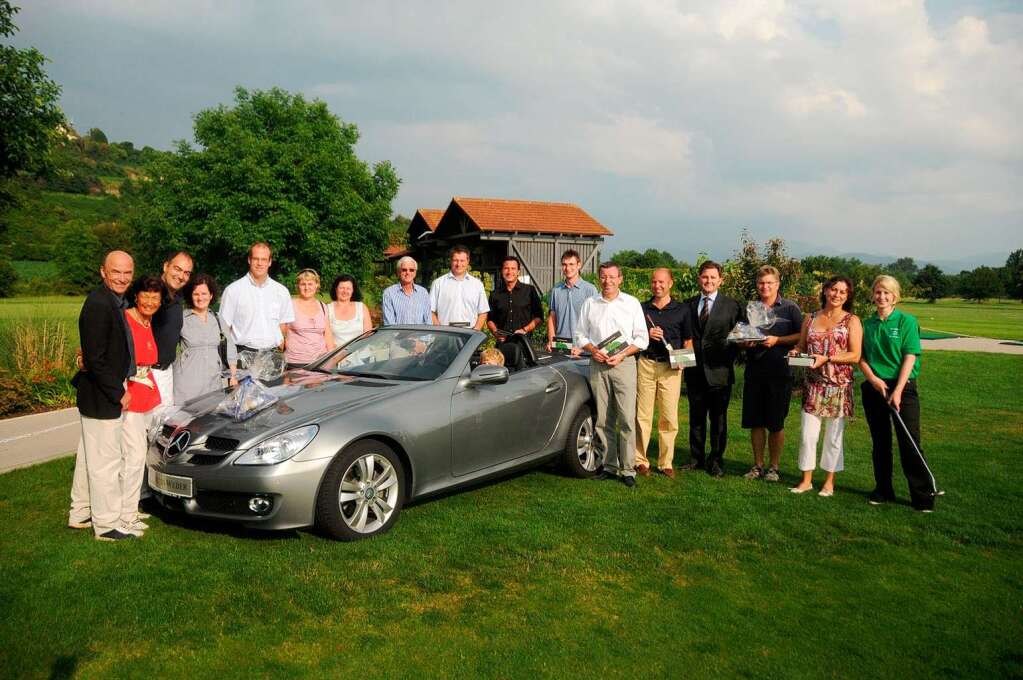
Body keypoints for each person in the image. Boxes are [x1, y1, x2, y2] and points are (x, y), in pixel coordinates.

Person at [68, 250, 137, 541]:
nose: (122, 278)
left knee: (89, 457)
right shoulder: (99, 303)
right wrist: (118, 392)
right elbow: (94, 359)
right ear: (103, 272)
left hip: (98, 392)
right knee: (105, 462)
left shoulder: (113, 300)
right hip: (101, 394)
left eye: (127, 273)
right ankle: (107, 524)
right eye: (116, 272)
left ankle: (80, 512)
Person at [859, 275, 937, 512]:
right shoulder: (867, 324)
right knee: (880, 442)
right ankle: (883, 490)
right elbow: (860, 357)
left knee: (909, 440)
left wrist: (899, 391)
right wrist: (873, 379)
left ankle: (922, 497)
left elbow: (910, 356)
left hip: (903, 386)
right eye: (878, 292)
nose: (882, 297)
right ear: (873, 295)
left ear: (895, 297)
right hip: (875, 387)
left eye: (887, 293)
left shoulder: (906, 321)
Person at [575, 262, 649, 487]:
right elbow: (580, 334)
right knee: (604, 419)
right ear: (599, 278)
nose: (607, 281)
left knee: (626, 418)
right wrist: (592, 351)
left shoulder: (632, 303)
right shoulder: (590, 303)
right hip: (598, 365)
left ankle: (628, 470)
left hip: (623, 364)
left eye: (612, 277)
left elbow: (641, 338)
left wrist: (622, 354)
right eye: (604, 276)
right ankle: (609, 465)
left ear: (620, 279)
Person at [790, 276, 862, 496]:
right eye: (833, 290)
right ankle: (806, 480)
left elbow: (855, 354)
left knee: (833, 437)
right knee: (808, 435)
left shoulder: (851, 320)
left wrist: (827, 358)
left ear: (848, 296)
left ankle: (829, 481)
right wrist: (795, 353)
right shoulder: (810, 318)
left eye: (842, 292)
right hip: (813, 385)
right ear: (825, 291)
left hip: (839, 386)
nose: (837, 295)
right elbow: (802, 346)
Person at [740, 266, 804, 483]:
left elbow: (801, 336)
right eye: (761, 283)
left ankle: (774, 468)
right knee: (755, 421)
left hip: (780, 372)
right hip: (755, 372)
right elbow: (743, 335)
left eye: (769, 283)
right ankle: (757, 465)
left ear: (778, 284)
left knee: (776, 423)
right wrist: (746, 342)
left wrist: (778, 340)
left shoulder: (790, 308)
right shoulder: (752, 308)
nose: (765, 287)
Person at [683, 261, 743, 477]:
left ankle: (716, 459)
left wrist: (728, 357)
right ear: (699, 278)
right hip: (695, 371)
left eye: (712, 277)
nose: (708, 281)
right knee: (696, 417)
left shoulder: (732, 306)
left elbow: (741, 336)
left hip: (720, 372)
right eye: (704, 277)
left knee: (718, 419)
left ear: (721, 280)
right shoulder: (688, 304)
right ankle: (696, 457)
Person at [118, 275, 165, 537]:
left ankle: (131, 507)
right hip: (131, 397)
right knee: (132, 457)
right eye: (145, 296)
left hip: (148, 394)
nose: (150, 302)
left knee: (142, 454)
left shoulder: (147, 321)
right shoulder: (125, 319)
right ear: (136, 296)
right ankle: (123, 514)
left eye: (155, 298)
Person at [634, 268, 691, 479]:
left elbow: (688, 340)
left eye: (662, 282)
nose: (657, 286)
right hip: (647, 364)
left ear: (671, 283)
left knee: (668, 416)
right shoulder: (642, 309)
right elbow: (634, 336)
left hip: (671, 369)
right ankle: (640, 460)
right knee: (643, 416)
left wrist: (683, 361)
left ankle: (665, 462)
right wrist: (647, 333)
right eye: (654, 282)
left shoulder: (682, 310)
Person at [173, 274, 238, 404]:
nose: (200, 298)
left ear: (211, 295)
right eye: (196, 294)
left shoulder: (218, 319)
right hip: (187, 384)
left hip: (213, 383)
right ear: (190, 296)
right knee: (187, 422)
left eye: (204, 293)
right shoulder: (181, 318)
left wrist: (233, 376)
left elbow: (230, 347)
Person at [219, 242, 294, 353]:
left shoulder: (281, 291)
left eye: (264, 259)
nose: (259, 263)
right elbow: (225, 326)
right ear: (249, 260)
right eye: (256, 259)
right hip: (241, 354)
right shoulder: (233, 290)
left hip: (272, 355)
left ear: (270, 262)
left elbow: (283, 325)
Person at [148, 251, 193, 415]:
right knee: (139, 430)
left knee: (161, 427)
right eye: (177, 269)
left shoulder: (177, 298)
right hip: (146, 373)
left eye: (186, 273)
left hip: (166, 372)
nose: (181, 276)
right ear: (166, 266)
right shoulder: (150, 294)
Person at [546, 249, 598, 352]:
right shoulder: (556, 290)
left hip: (582, 350)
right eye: (564, 264)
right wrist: (551, 341)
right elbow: (552, 318)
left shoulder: (590, 290)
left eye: (571, 264)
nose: (567, 268)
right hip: (561, 347)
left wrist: (585, 349)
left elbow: (596, 322)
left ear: (579, 265)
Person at [487, 255, 543, 344]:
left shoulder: (529, 291)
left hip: (524, 344)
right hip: (502, 344)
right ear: (502, 271)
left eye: (513, 268)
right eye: (506, 268)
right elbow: (490, 319)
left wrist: (525, 330)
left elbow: (539, 317)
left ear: (518, 272)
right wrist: (495, 332)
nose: (509, 272)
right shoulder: (495, 294)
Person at [430, 245, 488, 329]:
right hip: (446, 334)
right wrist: (439, 329)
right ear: (451, 261)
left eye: (462, 260)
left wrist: (476, 330)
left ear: (468, 261)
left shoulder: (477, 284)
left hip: (470, 335)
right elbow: (430, 311)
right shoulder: (438, 283)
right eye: (455, 260)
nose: (459, 264)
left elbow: (483, 311)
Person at [285, 269, 335, 367]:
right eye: (303, 284)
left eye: (310, 284)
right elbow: (281, 333)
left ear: (317, 285)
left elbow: (328, 334)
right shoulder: (290, 305)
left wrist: (331, 358)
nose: (307, 288)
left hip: (320, 362)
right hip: (295, 362)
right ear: (298, 286)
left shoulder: (323, 306)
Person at [381, 256, 432, 325]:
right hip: (398, 336)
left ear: (415, 273)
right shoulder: (389, 293)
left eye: (411, 270)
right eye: (404, 270)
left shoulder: (423, 293)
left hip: (420, 335)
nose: (408, 273)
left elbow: (428, 322)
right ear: (398, 272)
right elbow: (389, 325)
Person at [327, 274, 373, 347]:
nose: (345, 291)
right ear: (336, 289)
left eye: (348, 288)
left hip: (361, 353)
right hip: (337, 356)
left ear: (353, 290)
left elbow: (368, 333)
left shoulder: (362, 307)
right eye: (341, 288)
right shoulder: (328, 309)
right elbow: (327, 338)